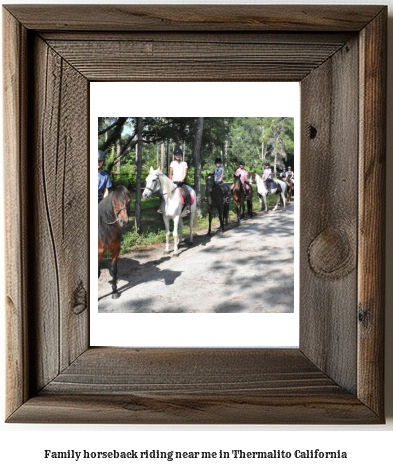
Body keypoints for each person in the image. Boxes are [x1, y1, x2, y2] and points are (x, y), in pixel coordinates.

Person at [158, 146, 191, 214]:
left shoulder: (184, 163)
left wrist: (181, 180)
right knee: (163, 193)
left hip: (181, 182)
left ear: (181, 155)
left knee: (187, 192)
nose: (178, 156)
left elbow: (184, 173)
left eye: (179, 154)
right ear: (174, 156)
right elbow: (170, 173)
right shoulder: (172, 163)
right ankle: (161, 207)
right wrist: (170, 181)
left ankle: (188, 207)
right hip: (173, 182)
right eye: (176, 155)